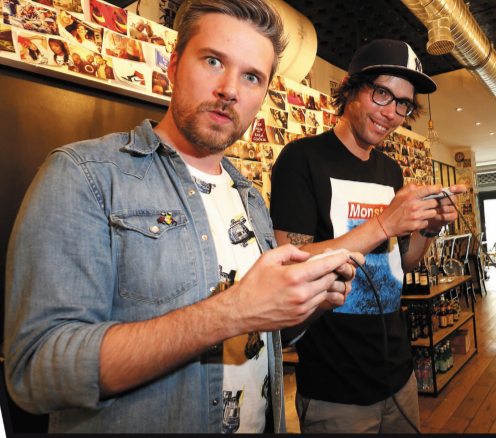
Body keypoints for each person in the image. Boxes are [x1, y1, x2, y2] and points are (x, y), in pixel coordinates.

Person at [4, 0, 362, 434]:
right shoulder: (85, 175)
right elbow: (36, 371)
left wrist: (310, 302)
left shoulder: (250, 198)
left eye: (252, 77)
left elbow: (261, 338)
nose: (230, 89)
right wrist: (232, 311)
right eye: (213, 61)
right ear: (173, 65)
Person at [269, 39, 466, 433]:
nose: (392, 113)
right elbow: (289, 266)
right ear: (350, 88)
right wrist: (383, 224)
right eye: (382, 93)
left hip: (400, 375)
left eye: (403, 104)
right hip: (335, 387)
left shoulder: (391, 171)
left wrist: (431, 227)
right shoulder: (301, 158)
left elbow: (401, 263)